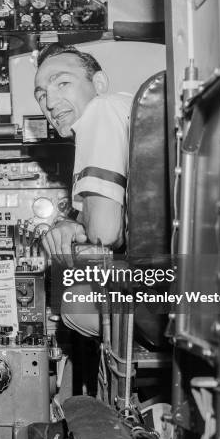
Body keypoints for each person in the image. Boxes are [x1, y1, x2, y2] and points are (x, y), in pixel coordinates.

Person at [33, 43, 132, 336]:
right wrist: (72, 224)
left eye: (63, 83)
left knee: (74, 304)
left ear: (99, 84)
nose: (50, 102)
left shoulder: (101, 110)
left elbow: (105, 231)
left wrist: (77, 230)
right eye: (41, 95)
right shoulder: (126, 108)